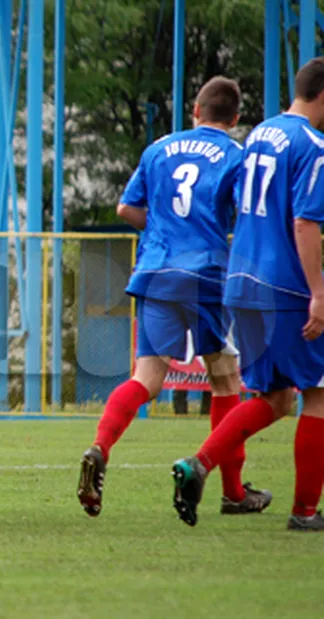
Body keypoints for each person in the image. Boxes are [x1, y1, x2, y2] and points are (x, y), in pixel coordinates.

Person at [76, 77, 272, 518]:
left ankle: (99, 447)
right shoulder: (236, 156)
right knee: (225, 379)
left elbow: (126, 209)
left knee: (146, 379)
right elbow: (246, 215)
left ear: (195, 111)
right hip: (205, 274)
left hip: (154, 270)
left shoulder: (159, 148)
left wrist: (165, 231)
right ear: (236, 118)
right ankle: (233, 492)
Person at [171, 58, 324, 532]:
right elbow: (304, 221)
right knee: (318, 395)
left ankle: (198, 465)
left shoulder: (259, 134)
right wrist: (318, 291)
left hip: (241, 283)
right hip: (285, 286)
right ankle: (304, 513)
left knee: (275, 398)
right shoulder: (314, 147)